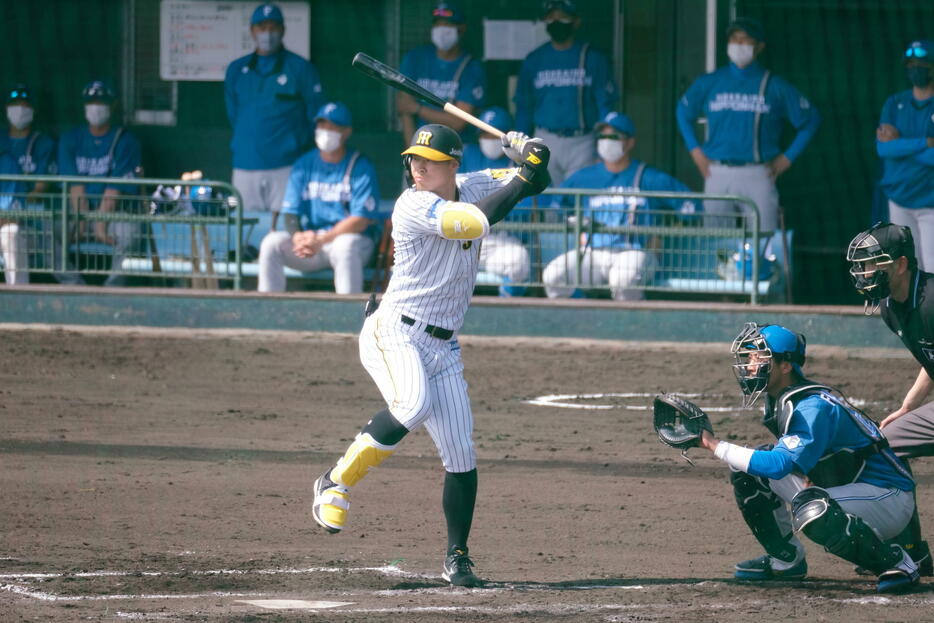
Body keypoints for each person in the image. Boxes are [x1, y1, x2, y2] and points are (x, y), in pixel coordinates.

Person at [310, 124, 551, 587]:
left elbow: (535, 179)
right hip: (395, 330)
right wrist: (526, 172)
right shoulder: (413, 203)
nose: (418, 166)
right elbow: (478, 220)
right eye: (414, 158)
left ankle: (457, 557)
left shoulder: (477, 182)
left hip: (444, 344)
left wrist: (530, 153)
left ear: (453, 165)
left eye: (431, 159)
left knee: (461, 452)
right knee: (412, 405)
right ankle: (334, 481)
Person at [694, 322, 920, 594]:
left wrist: (711, 443)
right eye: (749, 357)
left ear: (786, 365)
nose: (750, 365)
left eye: (759, 357)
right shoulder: (784, 399)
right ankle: (785, 561)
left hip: (888, 497)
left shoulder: (813, 406)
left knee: (812, 509)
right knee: (748, 471)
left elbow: (780, 466)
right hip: (854, 490)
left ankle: (898, 563)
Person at [676, 17, 820, 233]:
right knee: (716, 243)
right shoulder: (710, 81)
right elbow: (683, 112)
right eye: (734, 39)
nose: (738, 45)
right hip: (716, 170)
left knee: (763, 240)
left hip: (758, 172)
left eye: (746, 40)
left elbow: (811, 120)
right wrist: (695, 151)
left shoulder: (773, 85)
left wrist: (787, 157)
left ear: (759, 46)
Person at [847, 222, 934, 574]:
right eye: (861, 265)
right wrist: (908, 406)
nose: (864, 272)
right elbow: (930, 360)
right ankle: (911, 548)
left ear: (900, 264)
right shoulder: (890, 308)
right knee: (885, 443)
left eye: (872, 263)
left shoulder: (931, 300)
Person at [542, 112, 698, 300]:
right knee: (554, 277)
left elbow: (691, 207)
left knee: (623, 281)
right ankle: (583, 318)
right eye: (603, 136)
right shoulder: (584, 177)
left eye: (614, 136)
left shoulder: (648, 177)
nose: (607, 141)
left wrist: (666, 230)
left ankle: (630, 327)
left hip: (634, 252)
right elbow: (555, 207)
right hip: (593, 253)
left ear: (630, 142)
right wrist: (573, 221)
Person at [257, 102, 383, 294]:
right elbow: (291, 214)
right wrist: (300, 237)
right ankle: (266, 311)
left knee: (344, 246)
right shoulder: (303, 164)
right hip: (312, 245)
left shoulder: (361, 166)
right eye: (322, 125)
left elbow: (360, 221)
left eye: (332, 126)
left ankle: (348, 316)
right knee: (271, 243)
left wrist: (322, 239)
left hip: (351, 243)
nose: (326, 130)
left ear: (346, 132)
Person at [224, 2, 325, 227]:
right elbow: (234, 115)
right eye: (261, 27)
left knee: (282, 233)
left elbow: (315, 117)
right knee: (245, 234)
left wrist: (294, 146)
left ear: (283, 30)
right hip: (245, 163)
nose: (267, 33)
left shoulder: (300, 68)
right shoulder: (236, 70)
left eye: (273, 27)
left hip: (287, 165)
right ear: (252, 31)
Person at [514, 0, 617, 185]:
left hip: (582, 140)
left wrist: (605, 141)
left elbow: (605, 105)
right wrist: (520, 144)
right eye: (551, 17)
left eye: (562, 16)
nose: (556, 21)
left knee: (578, 201)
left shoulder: (592, 57)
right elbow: (524, 107)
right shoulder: (534, 60)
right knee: (547, 199)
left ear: (576, 21)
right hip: (544, 138)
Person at [58, 80, 142, 287]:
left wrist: (99, 226)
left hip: (114, 213)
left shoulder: (125, 140)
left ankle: (112, 290)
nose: (96, 107)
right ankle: (74, 286)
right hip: (79, 212)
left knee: (131, 235)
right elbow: (74, 186)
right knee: (46, 231)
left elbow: (114, 188)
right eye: (91, 101)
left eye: (102, 101)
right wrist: (82, 221)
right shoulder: (71, 138)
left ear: (112, 106)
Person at [876, 39, 934, 272]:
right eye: (911, 64)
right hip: (899, 198)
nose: (915, 69)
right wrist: (925, 143)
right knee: (904, 267)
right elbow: (883, 149)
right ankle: (911, 310)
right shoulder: (895, 102)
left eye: (921, 63)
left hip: (930, 202)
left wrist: (901, 146)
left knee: (931, 268)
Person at [461, 106, 531, 296]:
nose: (489, 140)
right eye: (485, 134)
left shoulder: (520, 163)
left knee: (518, 261)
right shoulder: (468, 155)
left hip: (499, 240)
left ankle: (508, 315)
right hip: (464, 237)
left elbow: (526, 209)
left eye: (494, 135)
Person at [396, 2, 486, 146]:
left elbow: (458, 121)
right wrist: (412, 151)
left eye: (447, 25)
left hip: (455, 147)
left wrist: (417, 108)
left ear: (461, 29)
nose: (441, 30)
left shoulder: (471, 67)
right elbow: (404, 107)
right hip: (420, 144)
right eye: (437, 24)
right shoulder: (415, 59)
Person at [0, 84, 56, 285]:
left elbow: (40, 189)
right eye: (15, 104)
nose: (20, 109)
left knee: (10, 233)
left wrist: (12, 211)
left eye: (25, 105)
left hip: (29, 223)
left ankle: (17, 296)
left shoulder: (42, 143)